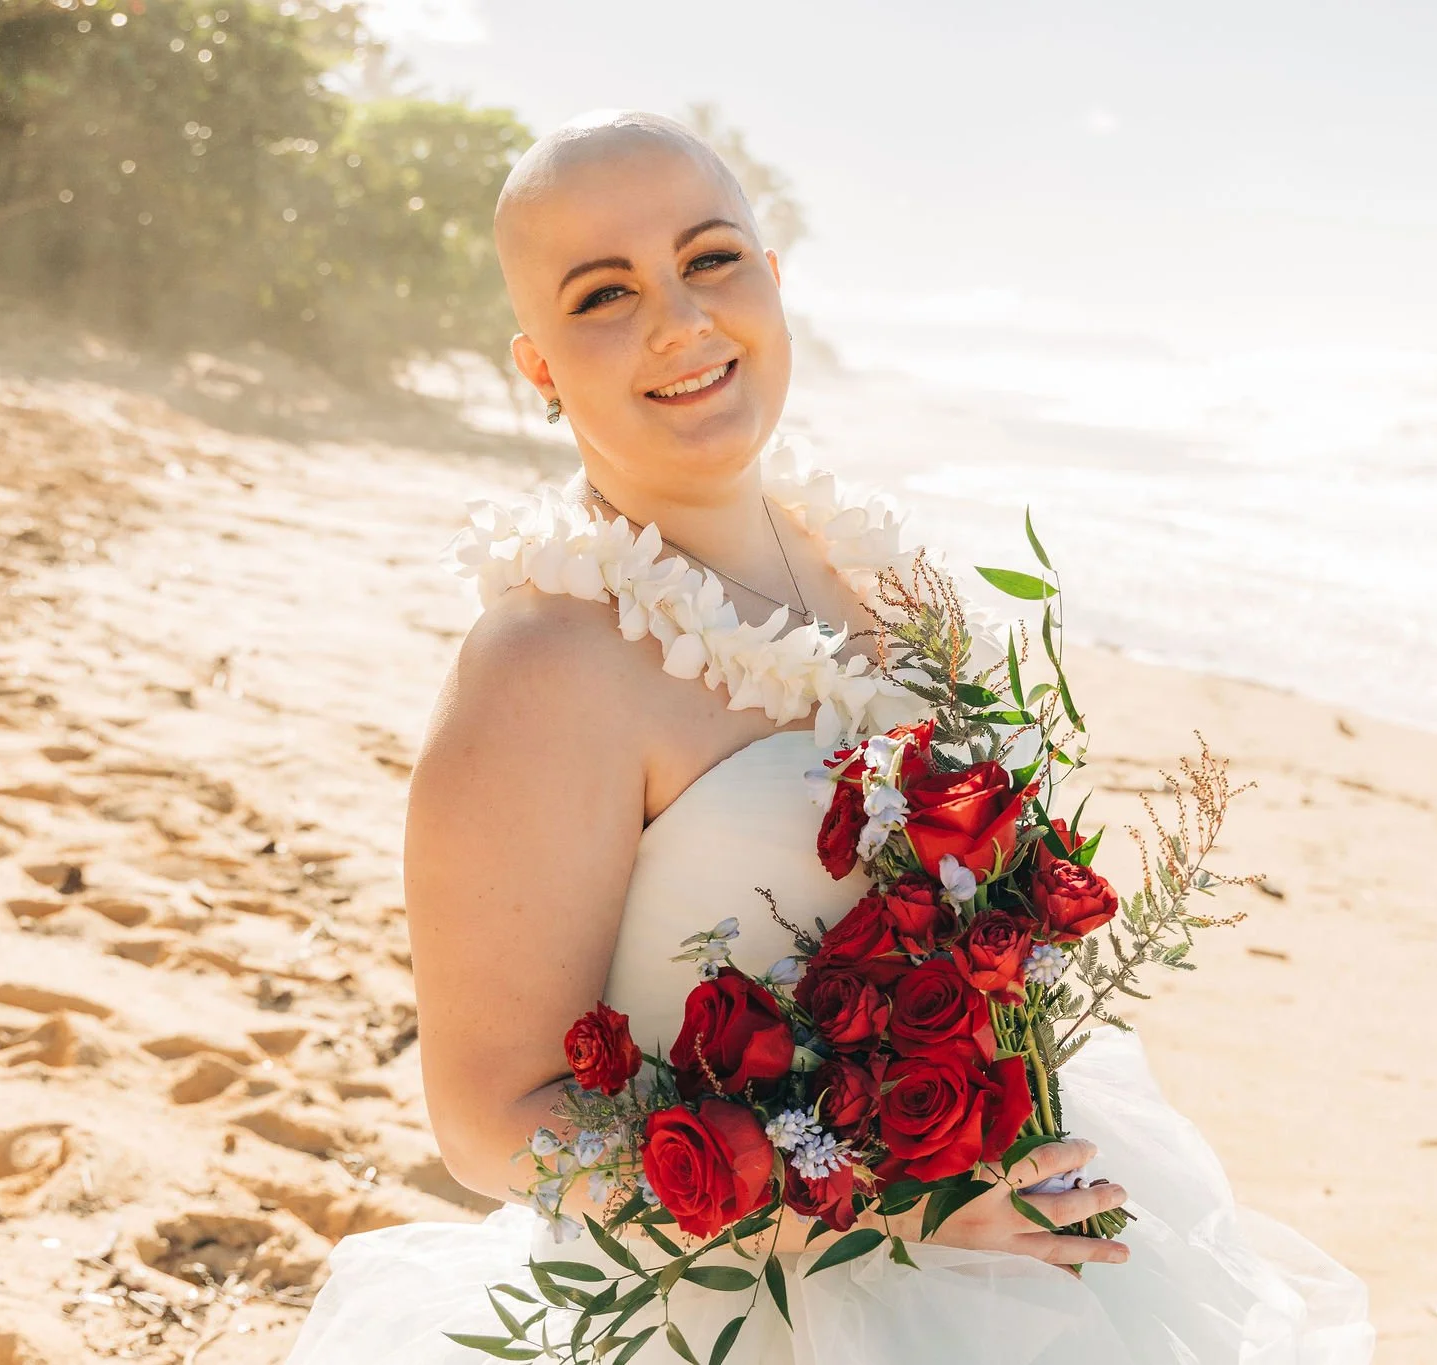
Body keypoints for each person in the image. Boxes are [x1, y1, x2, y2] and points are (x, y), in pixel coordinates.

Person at [284, 109, 1375, 1364]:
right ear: (537, 369)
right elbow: (490, 1121)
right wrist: (896, 1208)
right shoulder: (542, 666)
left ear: (771, 279)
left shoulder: (874, 569)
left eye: (708, 261)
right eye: (603, 293)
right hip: (758, 1306)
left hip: (1034, 1251)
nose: (679, 323)